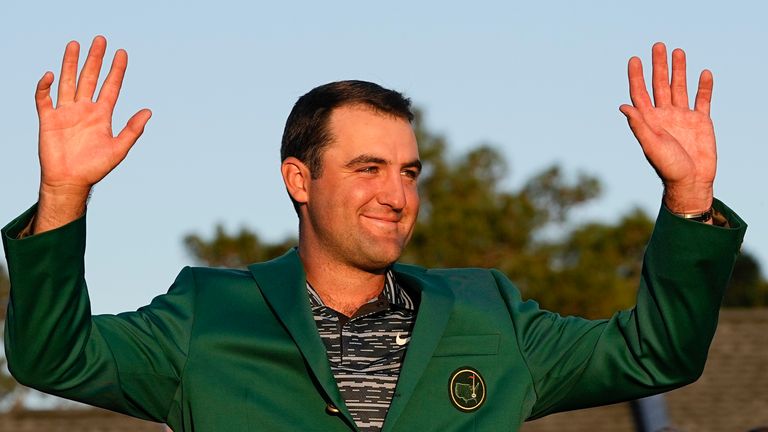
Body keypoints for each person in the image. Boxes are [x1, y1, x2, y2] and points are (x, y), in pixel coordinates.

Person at [1, 36, 746, 432]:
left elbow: (657, 355)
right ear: (300, 179)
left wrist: (688, 196)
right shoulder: (206, 313)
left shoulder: (490, 313)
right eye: (368, 167)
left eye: (409, 171)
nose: (396, 194)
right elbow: (52, 356)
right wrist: (64, 194)